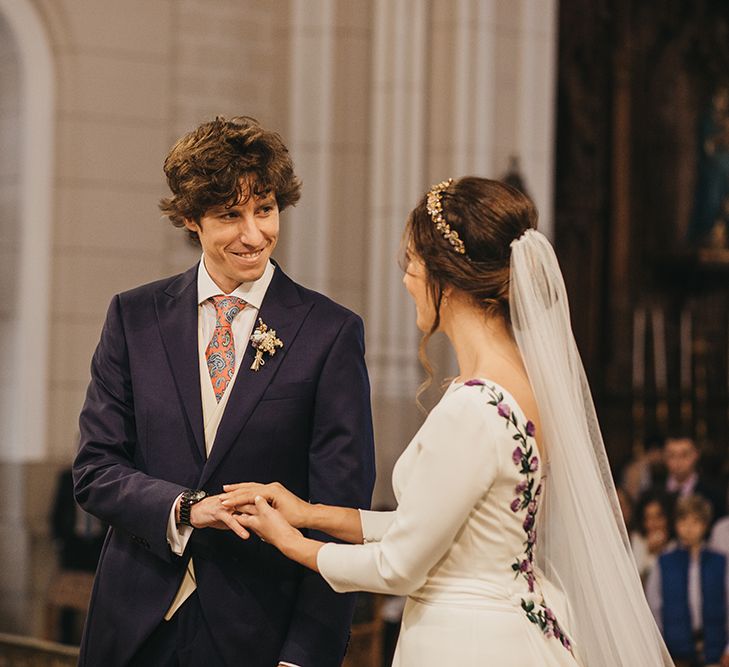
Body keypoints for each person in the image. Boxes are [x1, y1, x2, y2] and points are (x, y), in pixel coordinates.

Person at [221, 177, 672, 665]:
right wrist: (309, 514)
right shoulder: (523, 385)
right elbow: (436, 527)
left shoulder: (474, 409)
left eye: (412, 263)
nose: (407, 279)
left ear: (447, 278)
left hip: (467, 642)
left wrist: (290, 543)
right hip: (522, 624)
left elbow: (399, 568)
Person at [72, 116, 376, 667]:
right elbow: (95, 470)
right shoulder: (133, 316)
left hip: (259, 633)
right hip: (133, 625)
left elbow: (339, 509)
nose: (254, 234)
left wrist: (308, 654)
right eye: (229, 215)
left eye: (264, 210)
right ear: (190, 217)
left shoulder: (330, 332)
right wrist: (186, 509)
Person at [646, 495, 729, 667]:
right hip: (676, 652)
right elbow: (654, 607)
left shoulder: (719, 561)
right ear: (676, 524)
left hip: (714, 652)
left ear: (705, 525)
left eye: (695, 522)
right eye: (683, 521)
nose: (689, 528)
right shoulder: (664, 562)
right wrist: (659, 648)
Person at [664, 436, 725, 525]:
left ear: (696, 455)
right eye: (672, 455)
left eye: (684, 455)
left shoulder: (714, 494)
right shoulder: (654, 490)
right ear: (664, 457)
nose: (678, 461)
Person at [631, 490, 676, 584]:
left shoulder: (677, 544)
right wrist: (650, 554)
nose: (654, 524)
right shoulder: (637, 540)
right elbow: (635, 582)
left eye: (659, 517)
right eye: (648, 518)